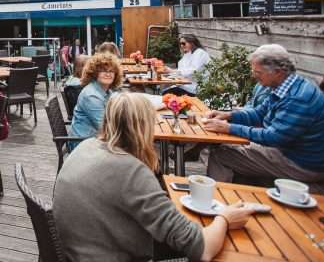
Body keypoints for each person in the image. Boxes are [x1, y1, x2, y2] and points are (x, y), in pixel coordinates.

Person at [54, 93, 254, 262]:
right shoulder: (130, 171)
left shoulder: (86, 146)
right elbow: (204, 249)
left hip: (83, 249)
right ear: (145, 127)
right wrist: (225, 218)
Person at [203, 44, 324, 188]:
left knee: (221, 154)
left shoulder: (297, 98)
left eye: (258, 72)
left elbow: (274, 137)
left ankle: (217, 203)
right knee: (228, 146)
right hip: (291, 152)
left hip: (303, 163)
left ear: (277, 72)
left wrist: (229, 128)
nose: (254, 76)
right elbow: (259, 113)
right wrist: (228, 115)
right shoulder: (287, 86)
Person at [67, 53, 122, 150]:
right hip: (83, 144)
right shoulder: (91, 95)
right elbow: (105, 127)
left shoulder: (107, 91)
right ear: (94, 73)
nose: (108, 74)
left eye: (111, 71)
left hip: (96, 138)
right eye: (103, 71)